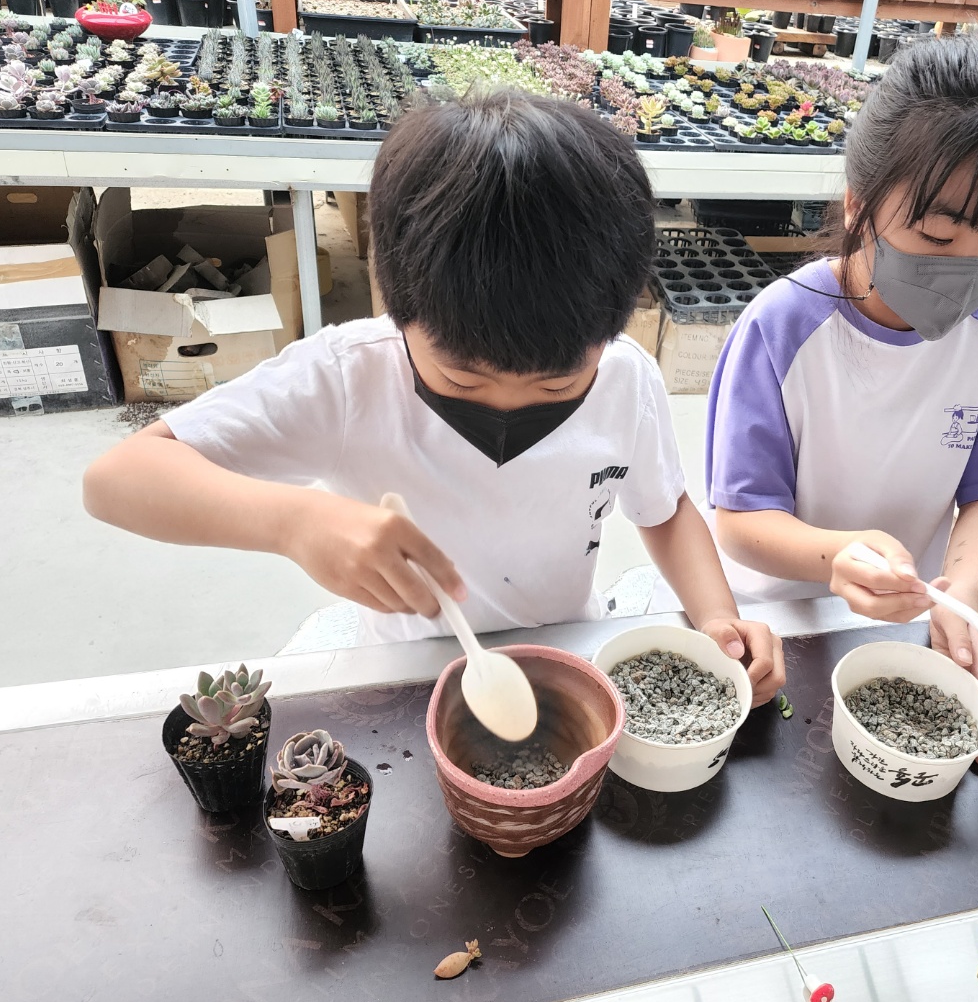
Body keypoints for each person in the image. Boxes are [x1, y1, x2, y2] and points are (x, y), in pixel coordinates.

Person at [84, 91, 784, 703]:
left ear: (622, 315)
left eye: (558, 384)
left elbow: (664, 512)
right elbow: (116, 481)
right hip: (405, 672)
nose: (509, 402)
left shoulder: (627, 378)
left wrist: (718, 617)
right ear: (395, 302)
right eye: (463, 380)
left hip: (564, 652)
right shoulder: (348, 378)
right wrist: (294, 522)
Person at [705, 37, 978, 704]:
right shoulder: (783, 325)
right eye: (936, 237)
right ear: (858, 206)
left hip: (905, 621)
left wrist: (964, 599)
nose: (970, 268)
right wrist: (836, 554)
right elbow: (742, 520)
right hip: (778, 622)